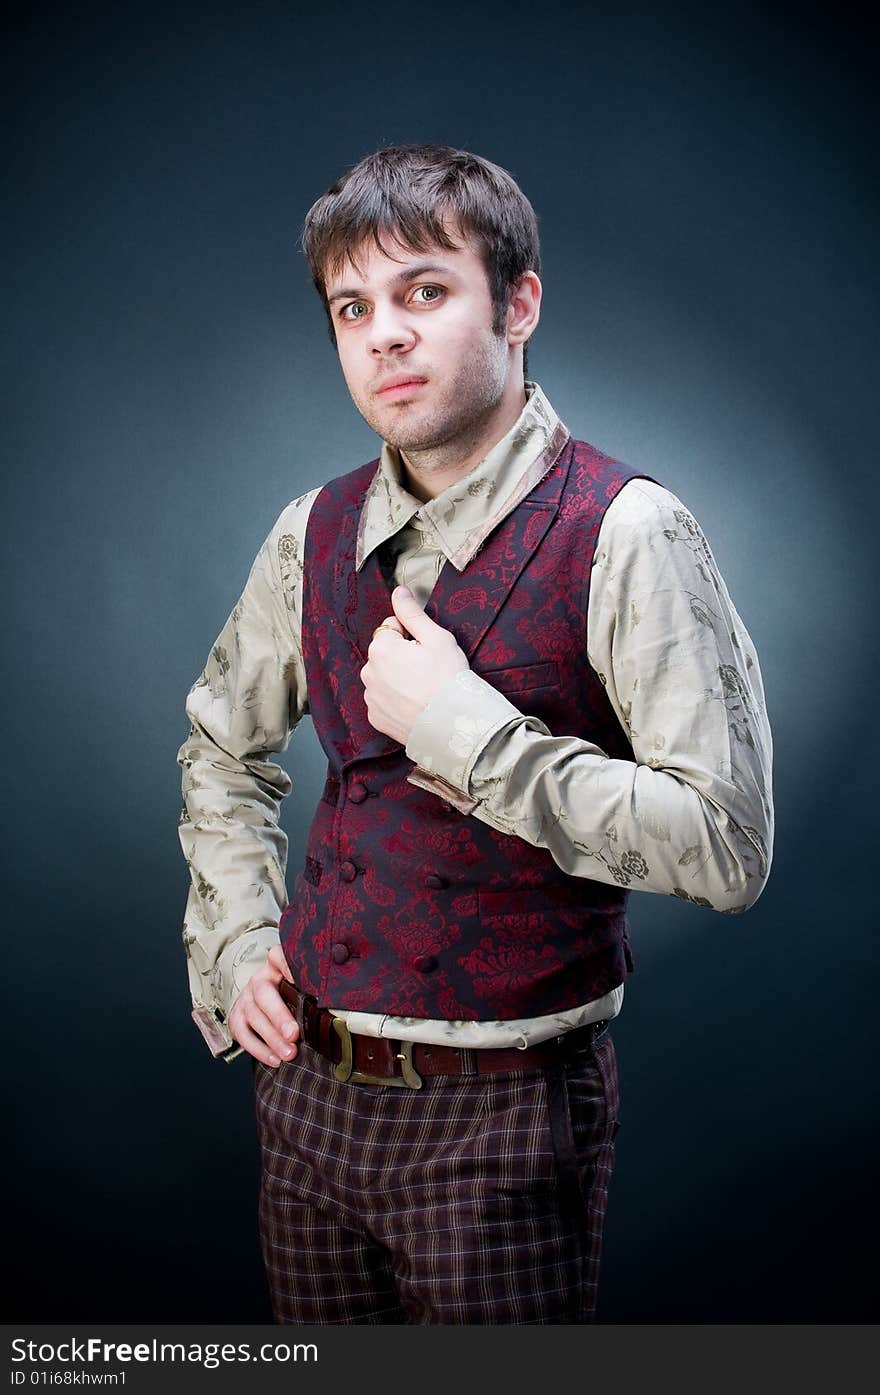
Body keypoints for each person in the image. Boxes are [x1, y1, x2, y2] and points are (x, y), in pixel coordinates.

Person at [177, 144, 773, 1325]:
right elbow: (221, 751)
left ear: (519, 303)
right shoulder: (313, 529)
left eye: (425, 292)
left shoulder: (630, 530)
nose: (385, 334)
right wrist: (236, 942)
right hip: (306, 1095)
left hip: (502, 1118)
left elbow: (725, 844)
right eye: (354, 307)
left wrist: (469, 735)